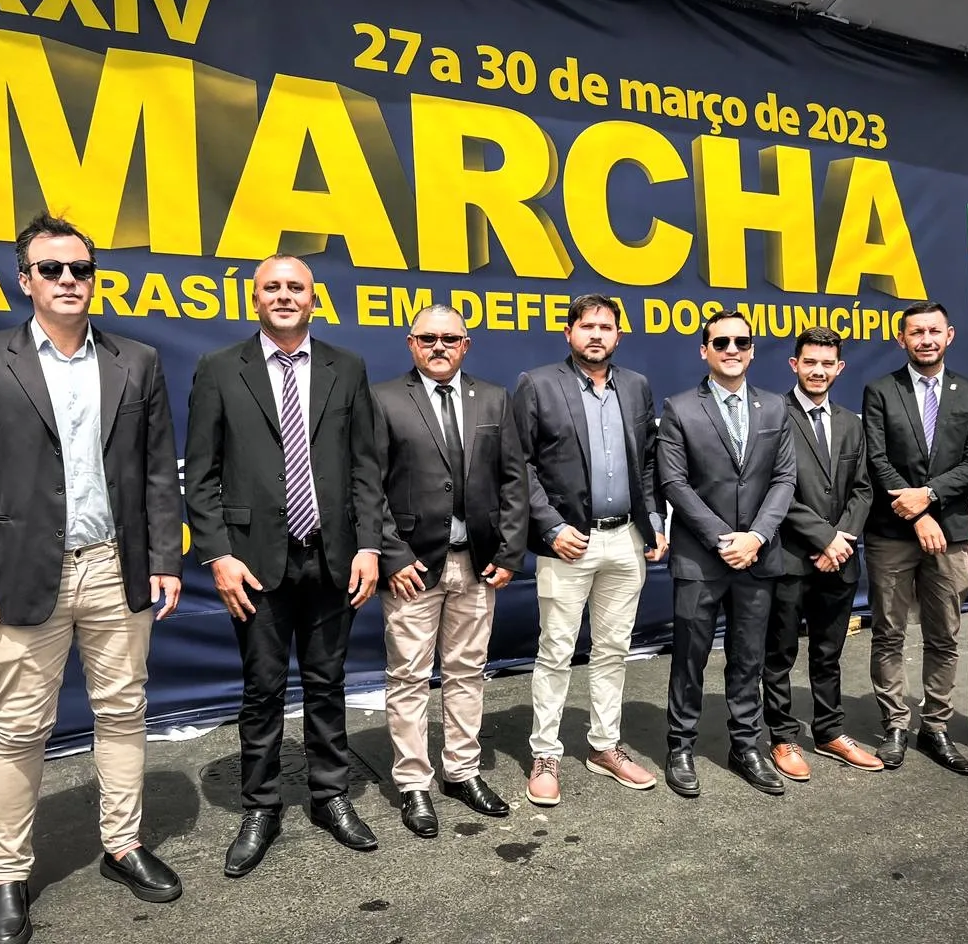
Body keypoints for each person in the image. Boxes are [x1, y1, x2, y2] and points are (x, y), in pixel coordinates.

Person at [0, 212, 184, 944]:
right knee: (18, 729)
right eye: (52, 269)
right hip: (20, 574)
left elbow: (157, 474)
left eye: (80, 269)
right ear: (26, 280)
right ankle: (9, 876)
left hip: (114, 568)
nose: (68, 280)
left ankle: (123, 845)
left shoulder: (137, 360)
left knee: (124, 711)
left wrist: (164, 560)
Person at [184, 254, 384, 876]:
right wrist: (218, 555)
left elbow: (365, 467)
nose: (284, 295)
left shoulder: (347, 367)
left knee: (328, 683)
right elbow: (202, 475)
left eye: (296, 287)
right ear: (255, 299)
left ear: (314, 298)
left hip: (332, 556)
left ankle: (330, 795)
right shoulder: (220, 369)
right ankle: (261, 806)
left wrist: (370, 546)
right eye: (272, 287)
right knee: (263, 690)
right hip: (254, 562)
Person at [372, 304, 529, 836]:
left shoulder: (493, 398)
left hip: (477, 563)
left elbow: (513, 480)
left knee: (467, 672)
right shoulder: (384, 398)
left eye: (449, 338)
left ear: (466, 344)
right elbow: (368, 487)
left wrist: (508, 553)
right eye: (427, 338)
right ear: (411, 343)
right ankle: (413, 783)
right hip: (412, 567)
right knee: (409, 677)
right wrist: (393, 556)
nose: (438, 346)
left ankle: (461, 771)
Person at [513, 293, 668, 807]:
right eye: (587, 326)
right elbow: (519, 465)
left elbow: (648, 462)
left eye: (606, 327)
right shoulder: (538, 384)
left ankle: (605, 745)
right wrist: (551, 527)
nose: (596, 335)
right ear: (569, 333)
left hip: (625, 539)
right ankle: (545, 754)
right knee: (556, 651)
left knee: (614, 649)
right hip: (567, 542)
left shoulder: (636, 385)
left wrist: (654, 523)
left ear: (618, 335)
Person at [658, 309, 796, 798]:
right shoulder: (679, 408)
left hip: (758, 555)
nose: (732, 350)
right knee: (689, 656)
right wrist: (724, 538)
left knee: (748, 657)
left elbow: (784, 479)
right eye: (721, 342)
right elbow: (674, 483)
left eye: (741, 342)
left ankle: (746, 746)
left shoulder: (775, 407)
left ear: (753, 351)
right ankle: (680, 746)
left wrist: (755, 537)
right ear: (705, 351)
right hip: (701, 557)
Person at [862, 301, 968, 775]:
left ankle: (935, 727)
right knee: (888, 632)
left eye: (934, 331)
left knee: (944, 635)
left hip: (949, 533)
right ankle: (895, 724)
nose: (926, 340)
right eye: (916, 332)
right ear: (902, 339)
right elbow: (877, 459)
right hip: (892, 533)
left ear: (949, 335)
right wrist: (916, 515)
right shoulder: (881, 390)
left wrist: (929, 496)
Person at [762, 327, 882, 783]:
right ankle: (782, 736)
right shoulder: (773, 415)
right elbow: (774, 489)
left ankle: (830, 731)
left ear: (839, 368)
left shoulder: (851, 422)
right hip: (791, 558)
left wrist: (841, 540)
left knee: (829, 653)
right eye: (810, 361)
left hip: (840, 560)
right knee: (780, 653)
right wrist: (824, 539)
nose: (818, 370)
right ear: (794, 364)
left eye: (827, 363)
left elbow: (863, 489)